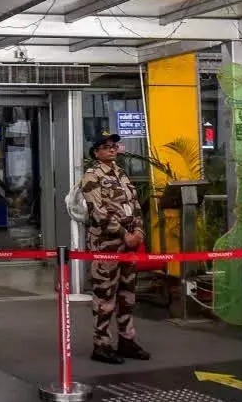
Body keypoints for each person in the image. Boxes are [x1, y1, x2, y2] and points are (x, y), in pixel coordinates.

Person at [80, 132, 150, 364]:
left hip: (129, 243)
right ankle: (101, 345)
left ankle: (127, 341)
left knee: (127, 294)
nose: (112, 149)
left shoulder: (121, 173)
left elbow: (135, 205)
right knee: (105, 295)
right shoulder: (91, 176)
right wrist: (123, 234)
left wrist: (138, 232)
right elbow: (98, 213)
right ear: (96, 152)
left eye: (114, 146)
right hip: (106, 244)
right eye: (106, 146)